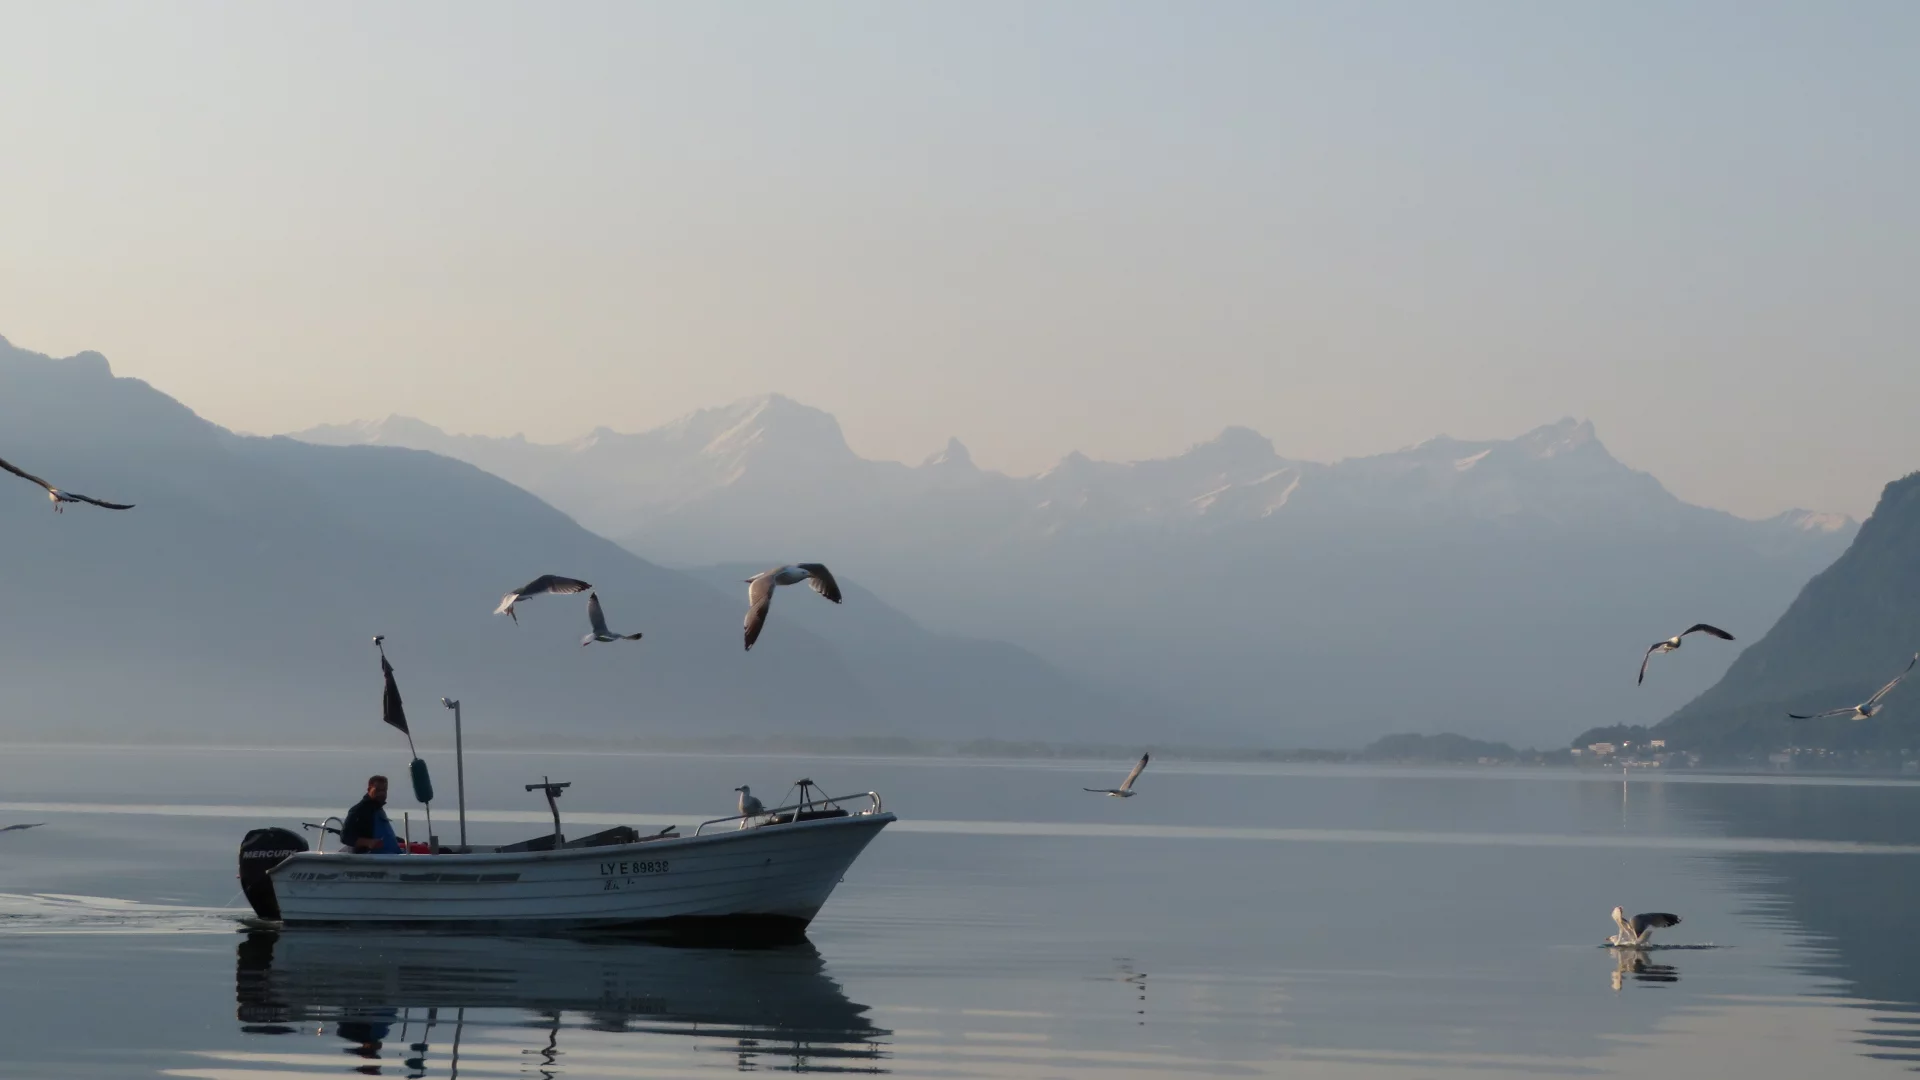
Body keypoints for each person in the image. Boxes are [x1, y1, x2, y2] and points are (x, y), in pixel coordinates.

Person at [339, 775, 402, 854]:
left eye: (384, 790)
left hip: (390, 856)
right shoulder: (358, 810)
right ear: (369, 789)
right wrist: (368, 842)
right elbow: (345, 837)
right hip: (370, 859)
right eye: (378, 790)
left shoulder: (378, 809)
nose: (382, 794)